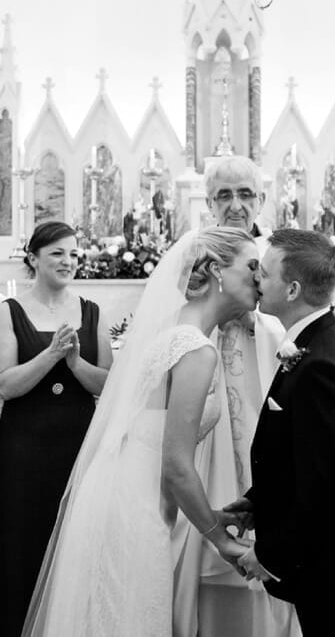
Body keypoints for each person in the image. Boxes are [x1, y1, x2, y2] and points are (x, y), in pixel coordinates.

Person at [22, 226, 263, 636]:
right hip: (136, 509)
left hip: (121, 492)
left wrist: (212, 515)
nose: (260, 278)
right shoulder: (195, 349)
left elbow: (152, 443)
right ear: (216, 271)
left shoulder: (172, 328)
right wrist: (219, 538)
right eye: (252, 266)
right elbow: (175, 466)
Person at [224, 229, 335, 636]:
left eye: (264, 273)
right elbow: (303, 453)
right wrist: (257, 502)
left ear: (293, 288)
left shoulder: (320, 364)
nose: (256, 281)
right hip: (330, 559)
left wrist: (268, 554)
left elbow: (325, 485)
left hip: (333, 565)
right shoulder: (325, 343)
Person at [176, 155, 292, 637]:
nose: (236, 205)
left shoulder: (282, 253)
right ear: (208, 201)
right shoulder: (189, 254)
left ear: (262, 199)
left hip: (262, 370)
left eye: (246, 194)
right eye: (224, 195)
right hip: (203, 403)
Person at [0, 221, 111, 637]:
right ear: (33, 259)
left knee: (74, 539)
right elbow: (7, 385)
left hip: (79, 443)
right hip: (23, 447)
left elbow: (110, 386)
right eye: (58, 254)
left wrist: (77, 364)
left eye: (74, 254)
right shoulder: (9, 312)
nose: (69, 262)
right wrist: (50, 355)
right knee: (23, 538)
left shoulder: (91, 311)